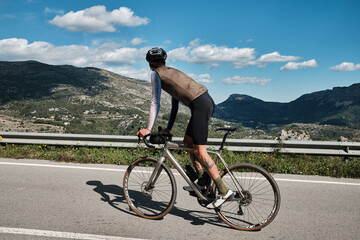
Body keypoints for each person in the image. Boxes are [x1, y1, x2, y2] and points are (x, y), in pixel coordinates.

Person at [137, 47, 232, 209]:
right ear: (164, 60)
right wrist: (168, 128)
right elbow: (175, 104)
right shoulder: (170, 72)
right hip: (204, 102)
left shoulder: (156, 74)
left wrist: (148, 128)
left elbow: (155, 101)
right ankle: (202, 181)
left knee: (201, 152)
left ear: (150, 64)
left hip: (200, 106)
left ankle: (224, 191)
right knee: (188, 143)